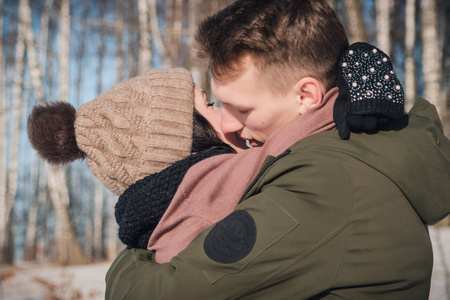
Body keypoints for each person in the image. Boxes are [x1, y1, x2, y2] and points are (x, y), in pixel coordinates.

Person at [105, 0, 450, 299]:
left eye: (242, 109)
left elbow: (158, 293)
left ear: (306, 97)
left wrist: (134, 245)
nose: (227, 125)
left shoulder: (322, 183)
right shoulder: (351, 153)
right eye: (219, 105)